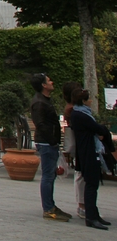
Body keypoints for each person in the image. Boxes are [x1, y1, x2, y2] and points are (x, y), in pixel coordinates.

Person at [68, 87, 111, 230]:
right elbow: (99, 129)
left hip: (87, 151)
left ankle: (94, 214)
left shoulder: (78, 114)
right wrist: (103, 131)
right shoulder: (82, 116)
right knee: (91, 185)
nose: (91, 101)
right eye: (89, 98)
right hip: (88, 152)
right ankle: (91, 217)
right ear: (83, 101)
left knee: (93, 184)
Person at [30, 73, 69, 221]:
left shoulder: (44, 100)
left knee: (50, 175)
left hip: (49, 142)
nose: (52, 82)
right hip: (46, 143)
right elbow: (40, 124)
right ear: (43, 86)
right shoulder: (40, 103)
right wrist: (52, 141)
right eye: (48, 80)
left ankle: (50, 204)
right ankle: (48, 208)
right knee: (48, 176)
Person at [62, 82, 87, 219]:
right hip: (79, 143)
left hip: (79, 143)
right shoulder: (73, 110)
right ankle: (82, 205)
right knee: (81, 173)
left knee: (81, 173)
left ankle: (83, 204)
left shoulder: (74, 108)